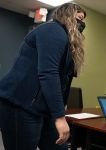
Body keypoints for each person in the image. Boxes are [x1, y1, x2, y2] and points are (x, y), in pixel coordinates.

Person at [0, 3, 86, 150]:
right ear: (67, 15)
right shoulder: (53, 30)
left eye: (83, 20)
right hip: (21, 104)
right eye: (78, 18)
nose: (81, 24)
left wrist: (61, 107)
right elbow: (48, 73)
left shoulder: (66, 41)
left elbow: (64, 79)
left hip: (45, 107)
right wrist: (59, 117)